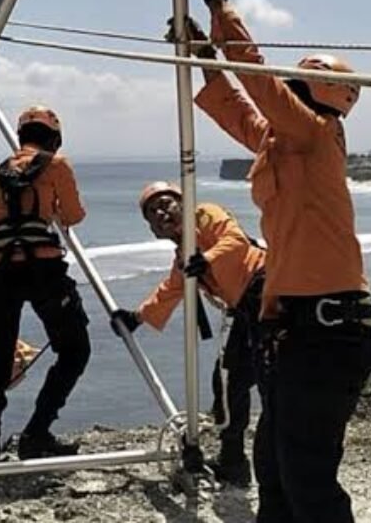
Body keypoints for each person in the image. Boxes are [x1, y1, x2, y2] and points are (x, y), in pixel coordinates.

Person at [167, 0, 371, 522]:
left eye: (291, 86)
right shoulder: (283, 144)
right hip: (295, 333)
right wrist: (203, 59)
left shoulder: (316, 135)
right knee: (276, 468)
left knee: (307, 476)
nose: (281, 90)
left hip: (327, 336)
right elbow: (238, 110)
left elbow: (258, 84)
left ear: (313, 94)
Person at [0, 105, 89, 462]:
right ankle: (36, 433)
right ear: (54, 140)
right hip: (42, 269)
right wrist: (52, 210)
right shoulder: (57, 165)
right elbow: (74, 215)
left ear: (21, 137)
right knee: (75, 349)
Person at [111, 182, 265, 486]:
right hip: (248, 308)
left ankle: (248, 459)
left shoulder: (205, 214)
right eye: (152, 212)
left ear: (184, 202)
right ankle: (234, 460)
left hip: (268, 290)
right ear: (155, 231)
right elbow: (171, 289)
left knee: (245, 378)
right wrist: (136, 318)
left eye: (165, 203)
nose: (160, 212)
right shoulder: (184, 257)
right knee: (229, 381)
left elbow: (234, 241)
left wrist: (206, 259)